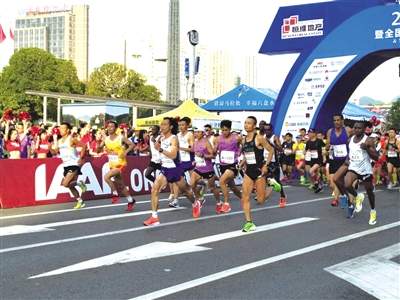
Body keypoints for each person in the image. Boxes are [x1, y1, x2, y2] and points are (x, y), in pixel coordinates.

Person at [143, 117, 198, 226]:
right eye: (161, 124)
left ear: (171, 127)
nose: (162, 126)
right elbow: (156, 146)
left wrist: (160, 149)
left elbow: (173, 155)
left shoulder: (174, 138)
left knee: (186, 191)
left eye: (164, 124)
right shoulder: (161, 137)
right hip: (164, 168)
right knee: (155, 189)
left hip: (175, 169)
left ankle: (195, 203)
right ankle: (154, 217)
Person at [240, 116, 275, 232]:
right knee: (245, 197)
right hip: (249, 171)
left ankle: (271, 185)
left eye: (249, 123)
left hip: (260, 171)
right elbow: (248, 154)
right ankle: (249, 222)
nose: (246, 125)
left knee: (260, 200)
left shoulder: (259, 138)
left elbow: (271, 150)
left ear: (254, 126)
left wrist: (266, 165)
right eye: (245, 123)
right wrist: (243, 162)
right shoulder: (243, 139)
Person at [344, 122, 379, 224]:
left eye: (359, 128)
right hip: (354, 167)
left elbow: (376, 157)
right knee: (347, 184)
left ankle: (373, 211)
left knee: (369, 192)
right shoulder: (350, 140)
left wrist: (367, 149)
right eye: (355, 128)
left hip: (365, 169)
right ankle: (358, 196)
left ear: (364, 129)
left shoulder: (368, 140)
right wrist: (347, 159)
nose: (356, 129)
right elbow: (350, 152)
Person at [51, 122, 87, 209]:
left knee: (65, 183)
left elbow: (84, 146)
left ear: (67, 130)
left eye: (63, 128)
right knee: (69, 185)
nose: (61, 130)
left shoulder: (71, 139)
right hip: (66, 165)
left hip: (74, 164)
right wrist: (50, 146)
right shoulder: (59, 141)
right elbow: (55, 152)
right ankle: (80, 201)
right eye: (60, 128)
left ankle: (79, 183)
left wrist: (81, 157)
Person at [102, 121, 136, 211]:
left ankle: (115, 194)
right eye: (108, 127)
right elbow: (99, 148)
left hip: (121, 164)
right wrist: (100, 145)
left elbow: (132, 145)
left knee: (106, 177)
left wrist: (125, 152)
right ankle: (130, 200)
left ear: (116, 128)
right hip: (112, 164)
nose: (109, 128)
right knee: (121, 186)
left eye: (112, 127)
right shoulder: (106, 139)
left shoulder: (121, 138)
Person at [213, 120, 242, 213]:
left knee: (221, 182)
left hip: (232, 165)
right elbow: (215, 150)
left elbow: (244, 147)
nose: (224, 132)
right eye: (222, 130)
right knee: (233, 187)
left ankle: (226, 204)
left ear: (230, 129)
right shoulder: (218, 139)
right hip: (223, 165)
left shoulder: (237, 138)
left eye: (226, 130)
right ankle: (244, 198)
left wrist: (239, 154)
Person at [191, 127, 221, 211]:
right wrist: (195, 161)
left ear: (202, 133)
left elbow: (213, 156)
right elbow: (195, 153)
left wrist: (204, 156)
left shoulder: (206, 142)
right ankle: (200, 198)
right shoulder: (195, 142)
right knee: (192, 184)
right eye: (195, 132)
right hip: (198, 168)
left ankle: (219, 202)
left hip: (207, 169)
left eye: (198, 132)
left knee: (212, 188)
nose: (196, 134)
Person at [167, 117, 195, 207]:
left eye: (183, 125)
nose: (181, 127)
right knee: (176, 180)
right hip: (180, 161)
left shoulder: (190, 135)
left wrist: (181, 148)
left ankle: (199, 192)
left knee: (194, 181)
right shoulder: (177, 135)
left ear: (187, 125)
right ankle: (176, 200)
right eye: (179, 125)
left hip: (189, 160)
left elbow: (192, 149)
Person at [325, 114, 352, 207]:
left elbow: (354, 143)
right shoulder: (330, 132)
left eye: (338, 120)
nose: (336, 122)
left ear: (342, 121)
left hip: (345, 160)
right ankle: (343, 194)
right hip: (334, 159)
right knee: (333, 183)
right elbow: (327, 145)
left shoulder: (348, 130)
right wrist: (327, 147)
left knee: (344, 181)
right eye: (335, 120)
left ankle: (336, 199)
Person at [262, 123, 286, 207]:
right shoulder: (263, 137)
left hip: (274, 162)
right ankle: (263, 195)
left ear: (271, 130)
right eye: (265, 129)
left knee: (276, 181)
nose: (267, 131)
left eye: (268, 129)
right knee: (263, 178)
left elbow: (281, 149)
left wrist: (273, 145)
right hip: (265, 161)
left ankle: (282, 197)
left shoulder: (274, 137)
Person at [305, 128, 326, 193]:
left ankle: (317, 183)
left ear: (314, 134)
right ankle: (319, 185)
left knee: (311, 171)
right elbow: (306, 150)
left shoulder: (319, 141)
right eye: (308, 133)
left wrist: (324, 157)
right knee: (315, 173)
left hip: (319, 159)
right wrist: (305, 153)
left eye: (311, 133)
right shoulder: (308, 142)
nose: (309, 134)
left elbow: (324, 149)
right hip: (311, 159)